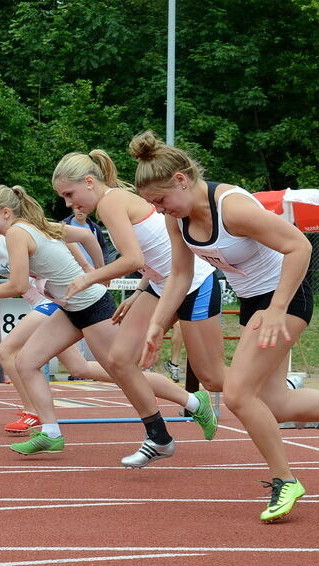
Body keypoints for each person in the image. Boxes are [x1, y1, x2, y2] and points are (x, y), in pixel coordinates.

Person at [129, 130, 319, 522]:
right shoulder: (179, 219)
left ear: (181, 180)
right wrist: (158, 323)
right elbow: (179, 273)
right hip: (256, 300)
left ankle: (285, 480)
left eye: (160, 200)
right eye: (151, 204)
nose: (158, 210)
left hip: (286, 295)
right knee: (274, 405)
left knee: (239, 395)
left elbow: (300, 247)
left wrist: (277, 310)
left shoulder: (234, 208)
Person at [0, 184, 214, 466]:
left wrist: (97, 274)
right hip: (69, 307)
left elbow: (17, 284)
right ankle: (51, 433)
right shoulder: (21, 230)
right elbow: (81, 240)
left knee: (122, 371)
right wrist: (97, 273)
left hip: (92, 306)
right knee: (27, 362)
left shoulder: (17, 232)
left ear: (5, 212)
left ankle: (194, 403)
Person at [52, 149, 224, 466]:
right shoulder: (111, 203)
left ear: (89, 182)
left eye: (69, 194)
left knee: (213, 379)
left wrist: (88, 278)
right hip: (161, 285)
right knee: (119, 360)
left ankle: (277, 389)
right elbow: (153, 255)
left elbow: (133, 259)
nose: (68, 204)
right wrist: (138, 292)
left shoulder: (110, 202)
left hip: (195, 283)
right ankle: (159, 437)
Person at [0, 198, 118, 432]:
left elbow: (61, 243)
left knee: (7, 352)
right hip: (51, 303)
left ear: (2, 213)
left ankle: (33, 413)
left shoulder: (18, 233)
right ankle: (139, 384)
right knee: (80, 369)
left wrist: (92, 272)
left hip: (51, 302)